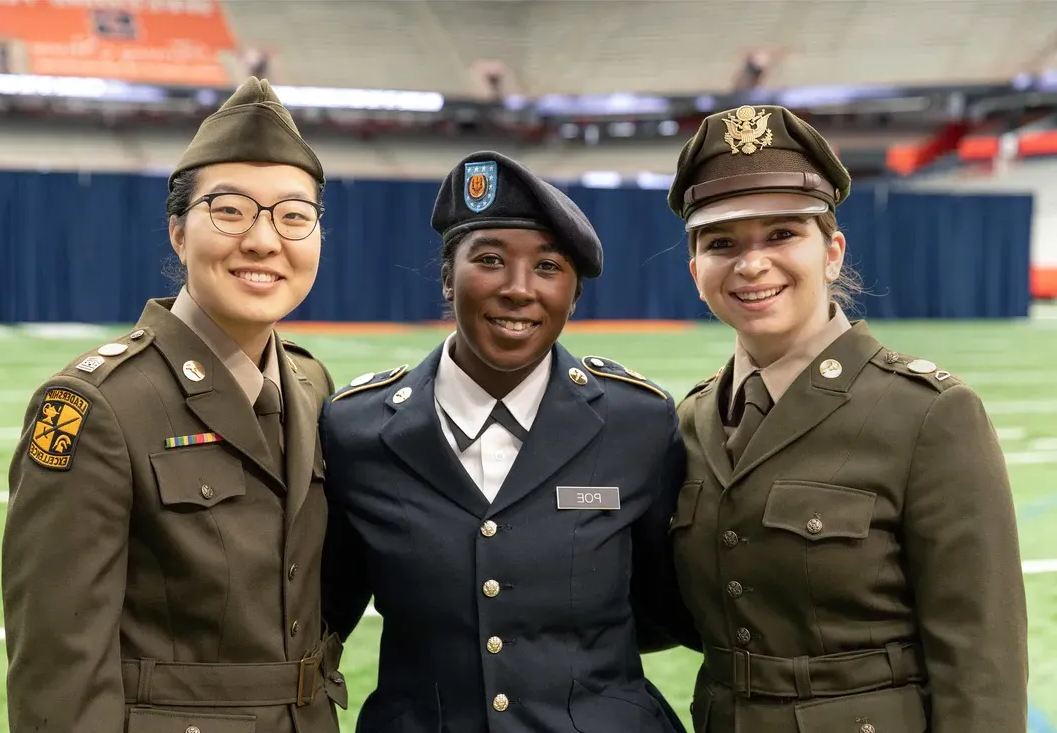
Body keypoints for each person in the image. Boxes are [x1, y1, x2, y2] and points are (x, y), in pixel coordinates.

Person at [664, 104, 1028, 732]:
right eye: (722, 243)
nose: (752, 265)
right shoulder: (692, 420)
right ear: (697, 272)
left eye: (782, 234)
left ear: (831, 252)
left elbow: (981, 661)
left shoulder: (929, 414)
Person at [1, 77, 347, 733]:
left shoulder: (310, 383)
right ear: (179, 232)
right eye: (230, 210)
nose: (264, 240)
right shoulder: (96, 404)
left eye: (294, 215)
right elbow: (59, 672)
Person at [320, 151, 691, 732]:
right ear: (447, 275)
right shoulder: (356, 429)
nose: (520, 289)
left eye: (549, 267)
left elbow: (667, 608)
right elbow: (324, 614)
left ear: (575, 294)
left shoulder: (636, 422)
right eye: (489, 259)